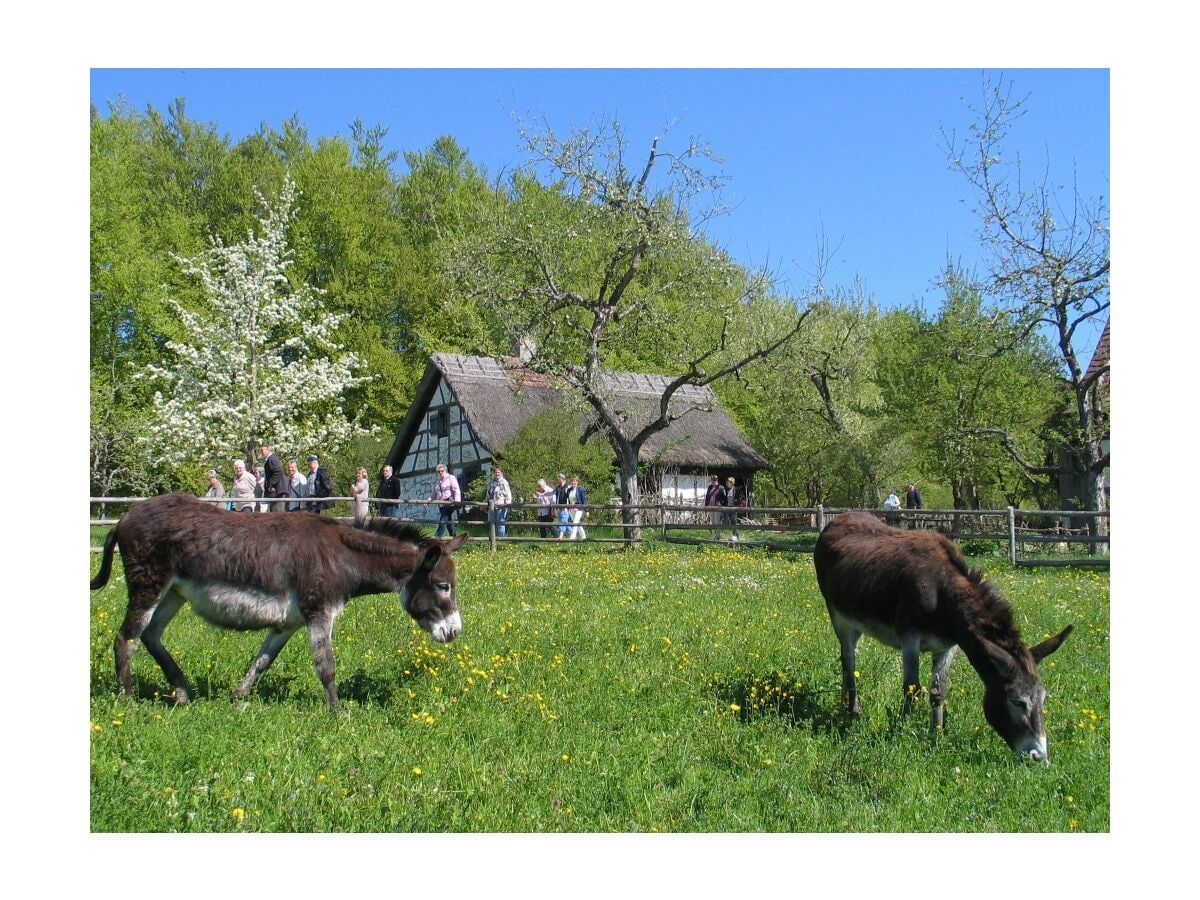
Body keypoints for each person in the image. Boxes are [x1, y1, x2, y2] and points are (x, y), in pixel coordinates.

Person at [430, 463, 461, 538]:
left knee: (443, 520)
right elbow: (434, 493)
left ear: (446, 470)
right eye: (438, 471)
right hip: (441, 505)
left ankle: (437, 538)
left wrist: (457, 501)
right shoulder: (438, 482)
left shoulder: (451, 478)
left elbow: (456, 490)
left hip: (448, 503)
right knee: (449, 522)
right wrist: (429, 500)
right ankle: (454, 538)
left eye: (442, 471)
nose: (440, 473)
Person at [486, 465, 513, 538]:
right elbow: (488, 494)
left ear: (501, 473)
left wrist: (507, 505)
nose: (497, 474)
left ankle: (502, 539)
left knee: (500, 523)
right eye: (495, 472)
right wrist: (485, 503)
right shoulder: (492, 482)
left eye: (498, 472)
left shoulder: (504, 482)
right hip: (492, 506)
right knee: (492, 523)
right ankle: (494, 539)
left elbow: (508, 495)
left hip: (501, 506)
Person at [260, 443, 287, 513]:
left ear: (268, 449)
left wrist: (271, 484)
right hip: (274, 493)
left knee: (277, 515)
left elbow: (278, 471)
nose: (261, 453)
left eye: (262, 450)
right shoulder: (270, 459)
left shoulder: (272, 459)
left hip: (277, 492)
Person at [565, 474, 588, 540]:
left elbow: (584, 500)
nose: (573, 482)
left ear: (577, 482)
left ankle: (572, 537)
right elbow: (567, 499)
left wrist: (586, 511)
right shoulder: (569, 490)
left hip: (578, 509)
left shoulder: (581, 490)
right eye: (572, 481)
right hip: (571, 509)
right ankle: (584, 537)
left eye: (575, 481)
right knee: (577, 523)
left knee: (575, 522)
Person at [704, 474, 726, 541]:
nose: (713, 481)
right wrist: (706, 506)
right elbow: (707, 497)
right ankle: (716, 534)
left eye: (714, 480)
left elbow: (724, 497)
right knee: (713, 522)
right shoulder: (710, 487)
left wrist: (720, 502)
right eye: (712, 480)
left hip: (717, 507)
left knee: (717, 521)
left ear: (717, 480)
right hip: (711, 506)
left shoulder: (721, 487)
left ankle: (718, 536)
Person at [721, 476, 742, 542]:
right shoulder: (726, 490)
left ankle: (735, 536)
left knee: (734, 521)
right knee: (728, 522)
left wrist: (736, 502)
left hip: (734, 508)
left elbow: (741, 498)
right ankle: (734, 535)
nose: (727, 483)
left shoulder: (737, 489)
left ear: (732, 483)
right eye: (727, 482)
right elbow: (724, 499)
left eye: (729, 482)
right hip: (728, 508)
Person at [553, 472, 571, 540]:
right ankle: (573, 534)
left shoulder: (568, 487)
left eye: (558, 479)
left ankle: (560, 537)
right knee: (566, 523)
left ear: (561, 479)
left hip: (565, 508)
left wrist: (567, 507)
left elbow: (569, 497)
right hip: (559, 508)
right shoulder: (558, 487)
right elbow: (552, 494)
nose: (557, 480)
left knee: (563, 522)